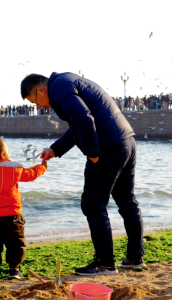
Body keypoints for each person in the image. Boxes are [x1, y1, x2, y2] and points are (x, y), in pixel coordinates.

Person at [21, 72, 144, 276]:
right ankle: (134, 258)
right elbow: (78, 122)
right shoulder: (67, 81)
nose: (40, 107)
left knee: (93, 204)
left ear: (40, 90)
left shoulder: (59, 89)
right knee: (127, 201)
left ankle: (105, 263)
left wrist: (93, 152)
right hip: (126, 140)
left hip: (109, 145)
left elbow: (84, 119)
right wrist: (55, 149)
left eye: (36, 102)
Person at [0, 139, 48, 282]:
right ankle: (14, 269)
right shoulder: (14, 170)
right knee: (16, 242)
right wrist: (43, 166)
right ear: (3, 154)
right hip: (13, 215)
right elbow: (31, 174)